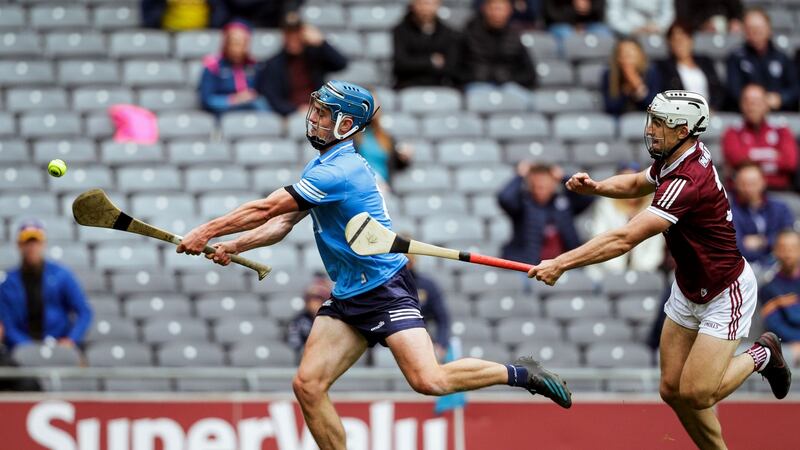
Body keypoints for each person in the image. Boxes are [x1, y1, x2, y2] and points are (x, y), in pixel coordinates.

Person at [177, 80, 572, 448]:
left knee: (428, 380)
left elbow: (266, 208)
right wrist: (233, 244)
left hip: (383, 288)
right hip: (349, 293)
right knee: (309, 386)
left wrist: (206, 231)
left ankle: (523, 373)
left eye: (323, 114)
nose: (313, 118)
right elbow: (282, 222)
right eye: (314, 110)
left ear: (346, 125)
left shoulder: (340, 170)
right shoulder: (321, 167)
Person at [527, 90, 792, 448]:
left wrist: (562, 262)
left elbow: (623, 239)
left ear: (683, 130)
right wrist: (598, 188)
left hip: (723, 292)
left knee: (697, 394)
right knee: (671, 389)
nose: (650, 129)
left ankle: (762, 354)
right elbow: (639, 181)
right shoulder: (677, 157)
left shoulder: (687, 181)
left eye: (659, 123)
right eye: (651, 120)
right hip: (688, 288)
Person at [0, 220, 93, 351]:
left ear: (43, 244)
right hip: (21, 349)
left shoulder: (61, 274)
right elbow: (7, 324)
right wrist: (27, 347)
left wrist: (71, 339)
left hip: (58, 347)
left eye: (36, 242)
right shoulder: (8, 282)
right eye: (27, 242)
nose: (32, 247)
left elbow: (84, 312)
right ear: (19, 245)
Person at [497, 162, 593, 265]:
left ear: (553, 184)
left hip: (565, 265)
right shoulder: (522, 204)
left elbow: (589, 196)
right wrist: (520, 176)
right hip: (530, 267)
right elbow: (505, 198)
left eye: (543, 186)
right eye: (535, 186)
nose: (539, 190)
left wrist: (563, 178)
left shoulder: (564, 202)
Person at [256, 13, 348, 117]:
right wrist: (296, 110)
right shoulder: (273, 64)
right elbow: (272, 98)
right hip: (290, 116)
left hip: (319, 110)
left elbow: (341, 64)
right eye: (289, 34)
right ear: (284, 36)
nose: (293, 38)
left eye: (297, 33)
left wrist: (322, 43)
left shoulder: (315, 55)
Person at [585, 162, 665, 277]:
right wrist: (619, 273)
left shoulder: (653, 206)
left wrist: (636, 274)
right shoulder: (606, 205)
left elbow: (655, 249)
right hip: (605, 271)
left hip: (644, 273)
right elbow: (599, 240)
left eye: (634, 182)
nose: (630, 186)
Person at [722, 83, 799, 191]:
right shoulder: (732, 132)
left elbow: (790, 162)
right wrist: (772, 155)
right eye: (747, 102)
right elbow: (736, 159)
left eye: (756, 101)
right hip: (742, 194)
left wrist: (751, 157)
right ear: (741, 105)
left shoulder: (781, 130)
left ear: (766, 104)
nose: (752, 106)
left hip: (778, 191)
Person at [726, 7, 799, 112]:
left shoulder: (782, 57)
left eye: (759, 28)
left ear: (769, 29)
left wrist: (781, 98)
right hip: (747, 114)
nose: (755, 32)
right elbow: (734, 91)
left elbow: (795, 88)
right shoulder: (736, 58)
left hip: (779, 113)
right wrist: (758, 101)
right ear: (745, 32)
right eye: (751, 28)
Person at [198, 19, 270, 116]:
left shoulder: (255, 67)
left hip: (251, 112)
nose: (238, 49)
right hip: (223, 114)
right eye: (235, 43)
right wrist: (234, 99)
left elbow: (262, 94)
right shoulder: (213, 66)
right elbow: (207, 100)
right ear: (226, 44)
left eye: (243, 43)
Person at [460, 0, 536, 92]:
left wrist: (508, 76)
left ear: (509, 10)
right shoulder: (469, 34)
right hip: (476, 85)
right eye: (494, 8)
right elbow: (455, 70)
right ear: (484, 9)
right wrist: (475, 75)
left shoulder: (515, 36)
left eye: (501, 9)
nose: (497, 13)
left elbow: (529, 74)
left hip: (509, 85)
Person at [730, 163, 794, 268]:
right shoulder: (730, 212)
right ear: (736, 184)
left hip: (780, 265)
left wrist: (762, 241)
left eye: (752, 183)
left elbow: (789, 240)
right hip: (746, 267)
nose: (748, 189)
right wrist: (772, 245)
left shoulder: (781, 208)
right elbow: (737, 248)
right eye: (743, 184)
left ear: (763, 182)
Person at [392, 0, 461, 89]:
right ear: (413, 5)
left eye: (430, 4)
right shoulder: (400, 31)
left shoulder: (448, 33)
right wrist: (431, 60)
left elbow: (450, 66)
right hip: (407, 85)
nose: (425, 8)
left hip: (439, 85)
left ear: (438, 5)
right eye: (421, 3)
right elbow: (401, 63)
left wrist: (416, 62)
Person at [657, 22, 726, 111]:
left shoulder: (705, 62)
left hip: (710, 114)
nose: (680, 44)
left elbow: (718, 91)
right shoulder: (664, 68)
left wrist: (713, 108)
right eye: (676, 40)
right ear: (670, 43)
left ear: (691, 40)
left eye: (683, 39)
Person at [760, 230, 800, 366]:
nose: (788, 254)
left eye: (793, 248)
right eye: (783, 249)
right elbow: (774, 325)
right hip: (787, 344)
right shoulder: (769, 288)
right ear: (775, 251)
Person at [352, 110, 412, 192]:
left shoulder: (387, 138)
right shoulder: (353, 137)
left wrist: (403, 157)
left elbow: (395, 163)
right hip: (364, 184)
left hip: (384, 186)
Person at [406, 253, 450, 360]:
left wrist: (441, 344)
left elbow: (443, 318)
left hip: (422, 341)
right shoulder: (385, 286)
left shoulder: (427, 285)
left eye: (408, 257)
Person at [602, 37, 660, 116]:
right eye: (623, 53)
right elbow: (611, 107)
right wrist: (625, 91)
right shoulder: (609, 75)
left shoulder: (651, 73)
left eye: (630, 54)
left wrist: (638, 87)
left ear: (640, 55)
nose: (627, 58)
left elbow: (655, 106)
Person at [543, 0, 611, 56]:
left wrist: (588, 9)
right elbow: (551, 15)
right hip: (561, 25)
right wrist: (574, 10)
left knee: (603, 33)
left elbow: (600, 13)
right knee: (567, 36)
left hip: (589, 24)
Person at [287, 277, 333, 357]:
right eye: (310, 299)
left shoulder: (334, 319)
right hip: (306, 358)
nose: (313, 303)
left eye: (318, 298)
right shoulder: (298, 320)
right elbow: (294, 343)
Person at [141, 0, 228, 30]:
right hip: (169, 33)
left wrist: (212, 28)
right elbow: (150, 12)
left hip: (203, 31)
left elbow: (219, 9)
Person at [605, 0, 674, 36]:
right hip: (626, 34)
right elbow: (613, 16)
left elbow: (668, 13)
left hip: (656, 32)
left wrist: (658, 26)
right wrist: (631, 30)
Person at [674, 0, 743, 34]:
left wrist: (735, 21)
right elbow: (683, 15)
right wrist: (702, 25)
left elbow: (737, 9)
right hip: (697, 33)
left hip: (727, 29)